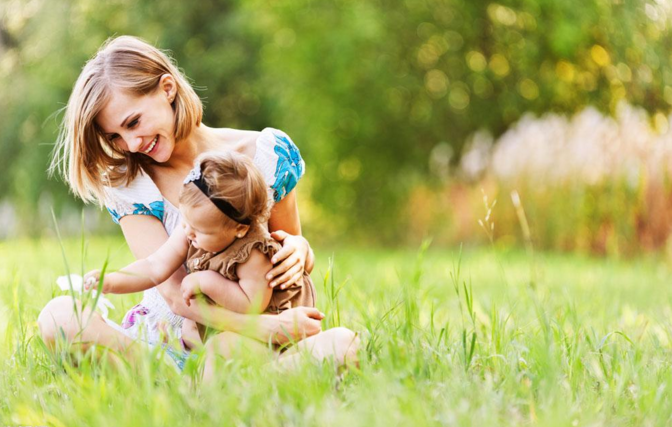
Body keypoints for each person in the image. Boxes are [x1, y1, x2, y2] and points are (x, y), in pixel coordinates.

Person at [38, 35, 358, 373]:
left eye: (133, 122)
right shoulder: (131, 183)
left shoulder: (266, 153)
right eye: (114, 137)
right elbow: (176, 294)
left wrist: (299, 249)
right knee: (59, 318)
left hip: (256, 344)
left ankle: (223, 385)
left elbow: (288, 252)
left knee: (344, 345)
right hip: (169, 346)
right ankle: (202, 383)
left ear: (167, 88)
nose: (131, 143)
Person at [83, 151, 317, 353]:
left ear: (239, 228)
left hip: (271, 330)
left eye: (198, 230)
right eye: (186, 222)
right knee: (203, 340)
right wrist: (111, 281)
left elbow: (250, 305)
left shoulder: (254, 254)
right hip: (233, 329)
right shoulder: (192, 228)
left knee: (225, 347)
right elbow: (155, 265)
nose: (188, 233)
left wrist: (207, 281)